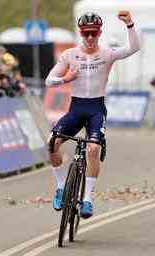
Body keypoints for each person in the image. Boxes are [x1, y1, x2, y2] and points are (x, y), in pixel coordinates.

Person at [45, 11, 140, 218]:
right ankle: (61, 187)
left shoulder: (107, 53)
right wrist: (66, 78)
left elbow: (133, 48)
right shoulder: (69, 55)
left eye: (94, 34)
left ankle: (87, 198)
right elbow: (49, 80)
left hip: (96, 109)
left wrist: (130, 24)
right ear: (81, 33)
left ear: (100, 33)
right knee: (51, 143)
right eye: (86, 34)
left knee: (93, 149)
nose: (90, 38)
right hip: (76, 108)